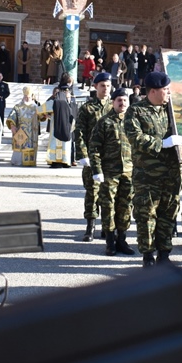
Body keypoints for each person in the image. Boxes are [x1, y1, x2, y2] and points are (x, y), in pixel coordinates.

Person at [124, 71, 182, 266]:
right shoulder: (136, 111)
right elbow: (135, 137)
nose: (168, 93)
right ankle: (148, 256)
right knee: (146, 215)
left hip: (172, 174)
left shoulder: (173, 110)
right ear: (153, 91)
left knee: (168, 214)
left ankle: (164, 255)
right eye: (165, 90)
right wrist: (162, 143)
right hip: (147, 177)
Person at [90, 87, 135, 256]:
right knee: (108, 206)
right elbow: (94, 147)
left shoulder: (132, 122)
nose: (122, 103)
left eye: (125, 100)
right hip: (109, 172)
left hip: (129, 172)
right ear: (113, 102)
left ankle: (122, 239)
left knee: (125, 206)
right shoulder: (104, 122)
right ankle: (110, 241)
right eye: (119, 100)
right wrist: (97, 169)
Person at [74, 72, 113, 241]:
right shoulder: (87, 108)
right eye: (102, 85)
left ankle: (107, 226)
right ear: (96, 86)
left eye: (108, 86)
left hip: (111, 158)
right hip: (92, 157)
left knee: (109, 193)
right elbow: (80, 132)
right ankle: (90, 226)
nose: (106, 89)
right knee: (92, 192)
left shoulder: (115, 106)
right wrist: (82, 154)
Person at [6, 86, 45, 166]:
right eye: (25, 97)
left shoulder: (36, 107)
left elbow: (41, 116)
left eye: (28, 97)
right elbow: (12, 116)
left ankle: (30, 161)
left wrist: (45, 115)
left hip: (32, 131)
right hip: (21, 130)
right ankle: (18, 161)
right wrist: (12, 125)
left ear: (32, 97)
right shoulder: (18, 106)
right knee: (20, 144)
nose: (27, 98)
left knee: (31, 146)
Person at [45, 77, 76, 167]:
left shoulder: (71, 101)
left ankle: (65, 161)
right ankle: (55, 161)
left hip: (67, 126)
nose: (66, 93)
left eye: (68, 91)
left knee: (65, 144)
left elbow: (74, 112)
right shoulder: (56, 100)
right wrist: (46, 115)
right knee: (56, 143)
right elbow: (46, 108)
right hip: (57, 125)